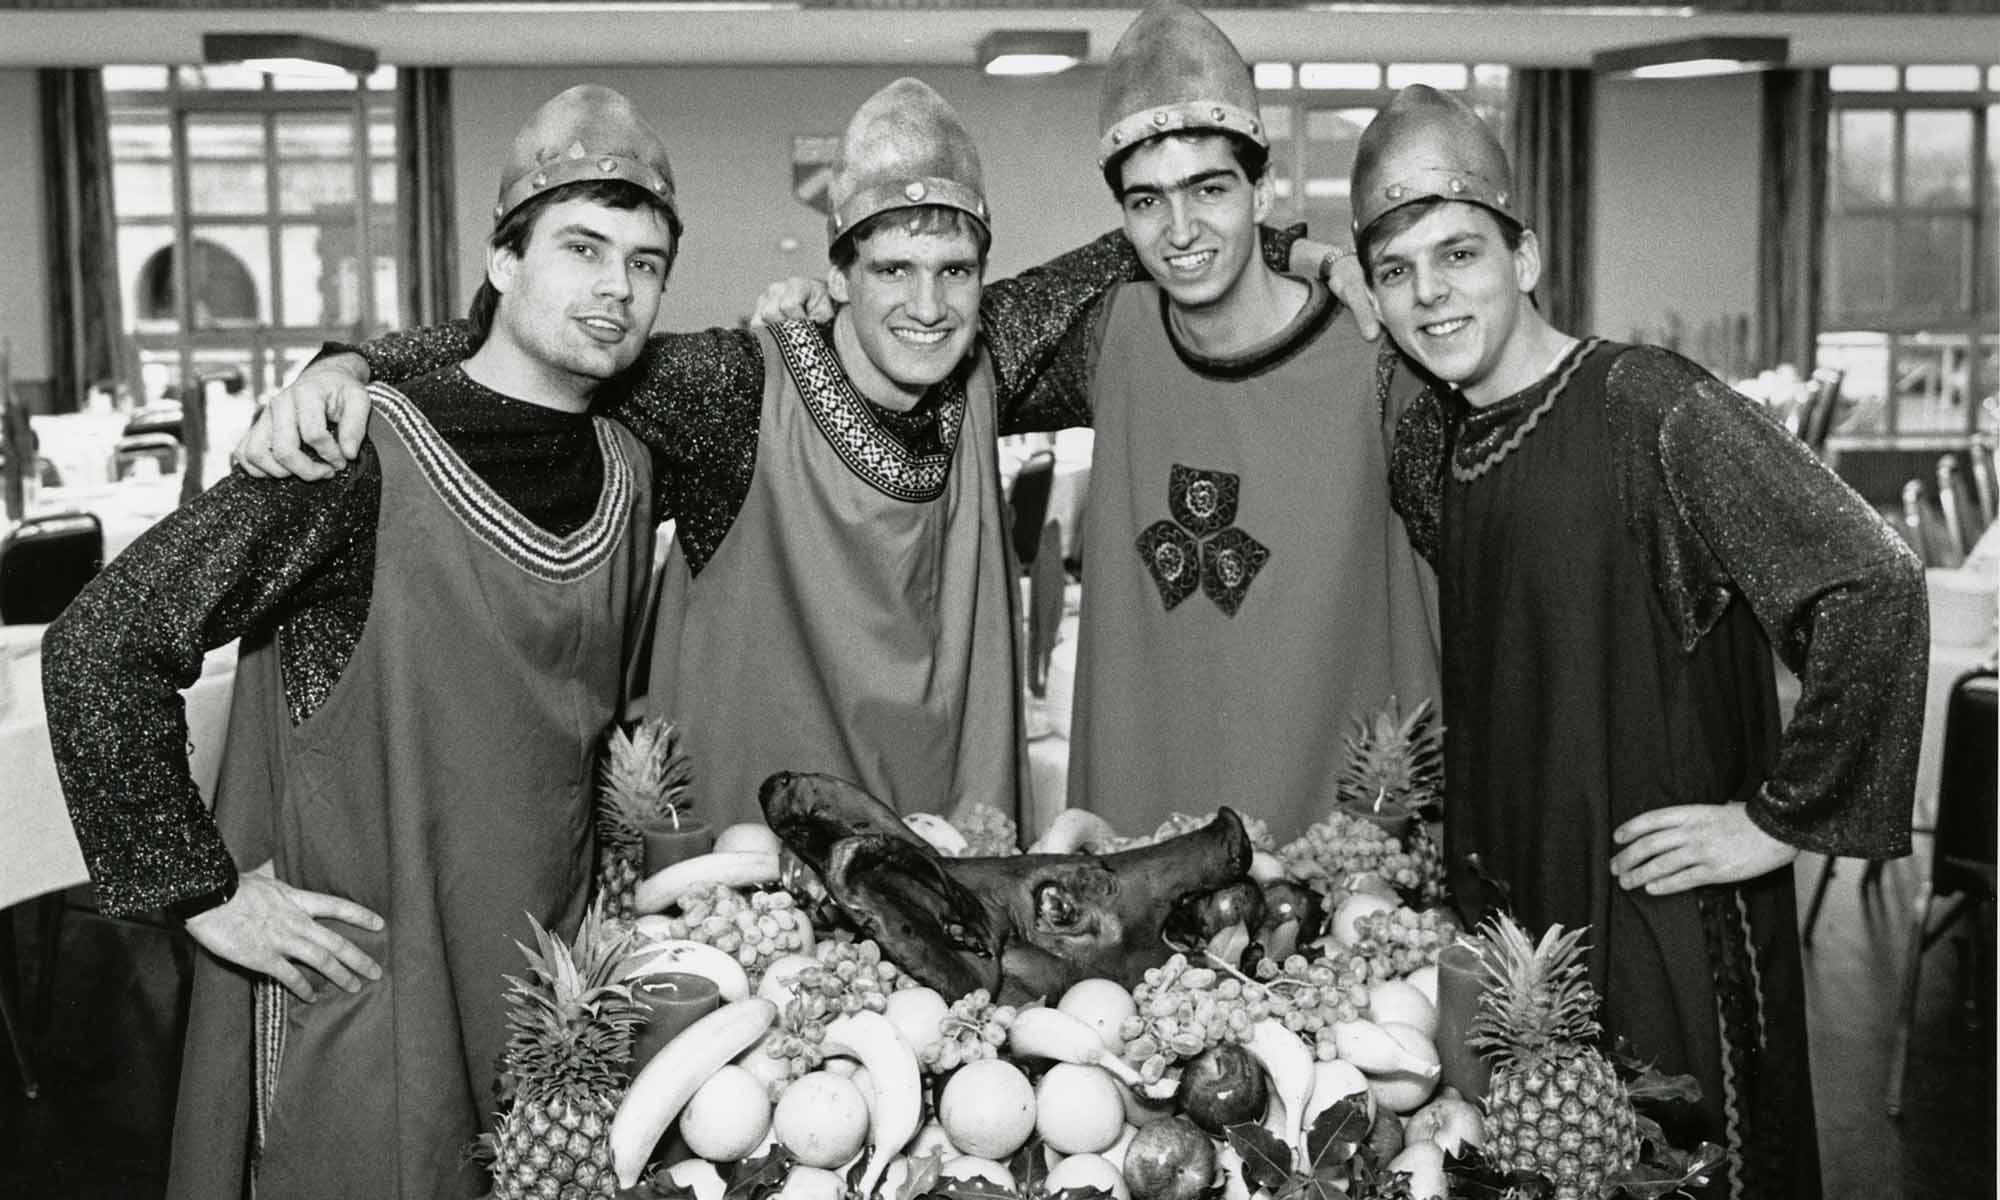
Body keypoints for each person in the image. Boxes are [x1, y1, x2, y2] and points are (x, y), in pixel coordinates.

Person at [237, 75, 1370, 831]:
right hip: (750, 881)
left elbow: (1131, 248)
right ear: (835, 276)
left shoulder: (989, 356)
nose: (926, 304)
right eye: (888, 271)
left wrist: (1286, 244)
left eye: (953, 270)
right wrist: (357, 365)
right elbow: (539, 349)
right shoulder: (733, 388)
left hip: (945, 863)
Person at [44, 85, 676, 1197]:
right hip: (366, 989)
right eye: (583, 246)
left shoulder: (627, 469)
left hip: (537, 992)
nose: (616, 286)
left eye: (645, 261)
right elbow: (103, 641)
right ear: (502, 263)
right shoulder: (355, 455)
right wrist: (203, 891)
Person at [1352, 84, 1928, 1198]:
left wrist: (1779, 821)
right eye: (1395, 272)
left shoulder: (1646, 407)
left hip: (1655, 913)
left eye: (1457, 254)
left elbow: (1872, 581)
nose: (1428, 295)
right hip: (1524, 915)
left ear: (1524, 259)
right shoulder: (1439, 438)